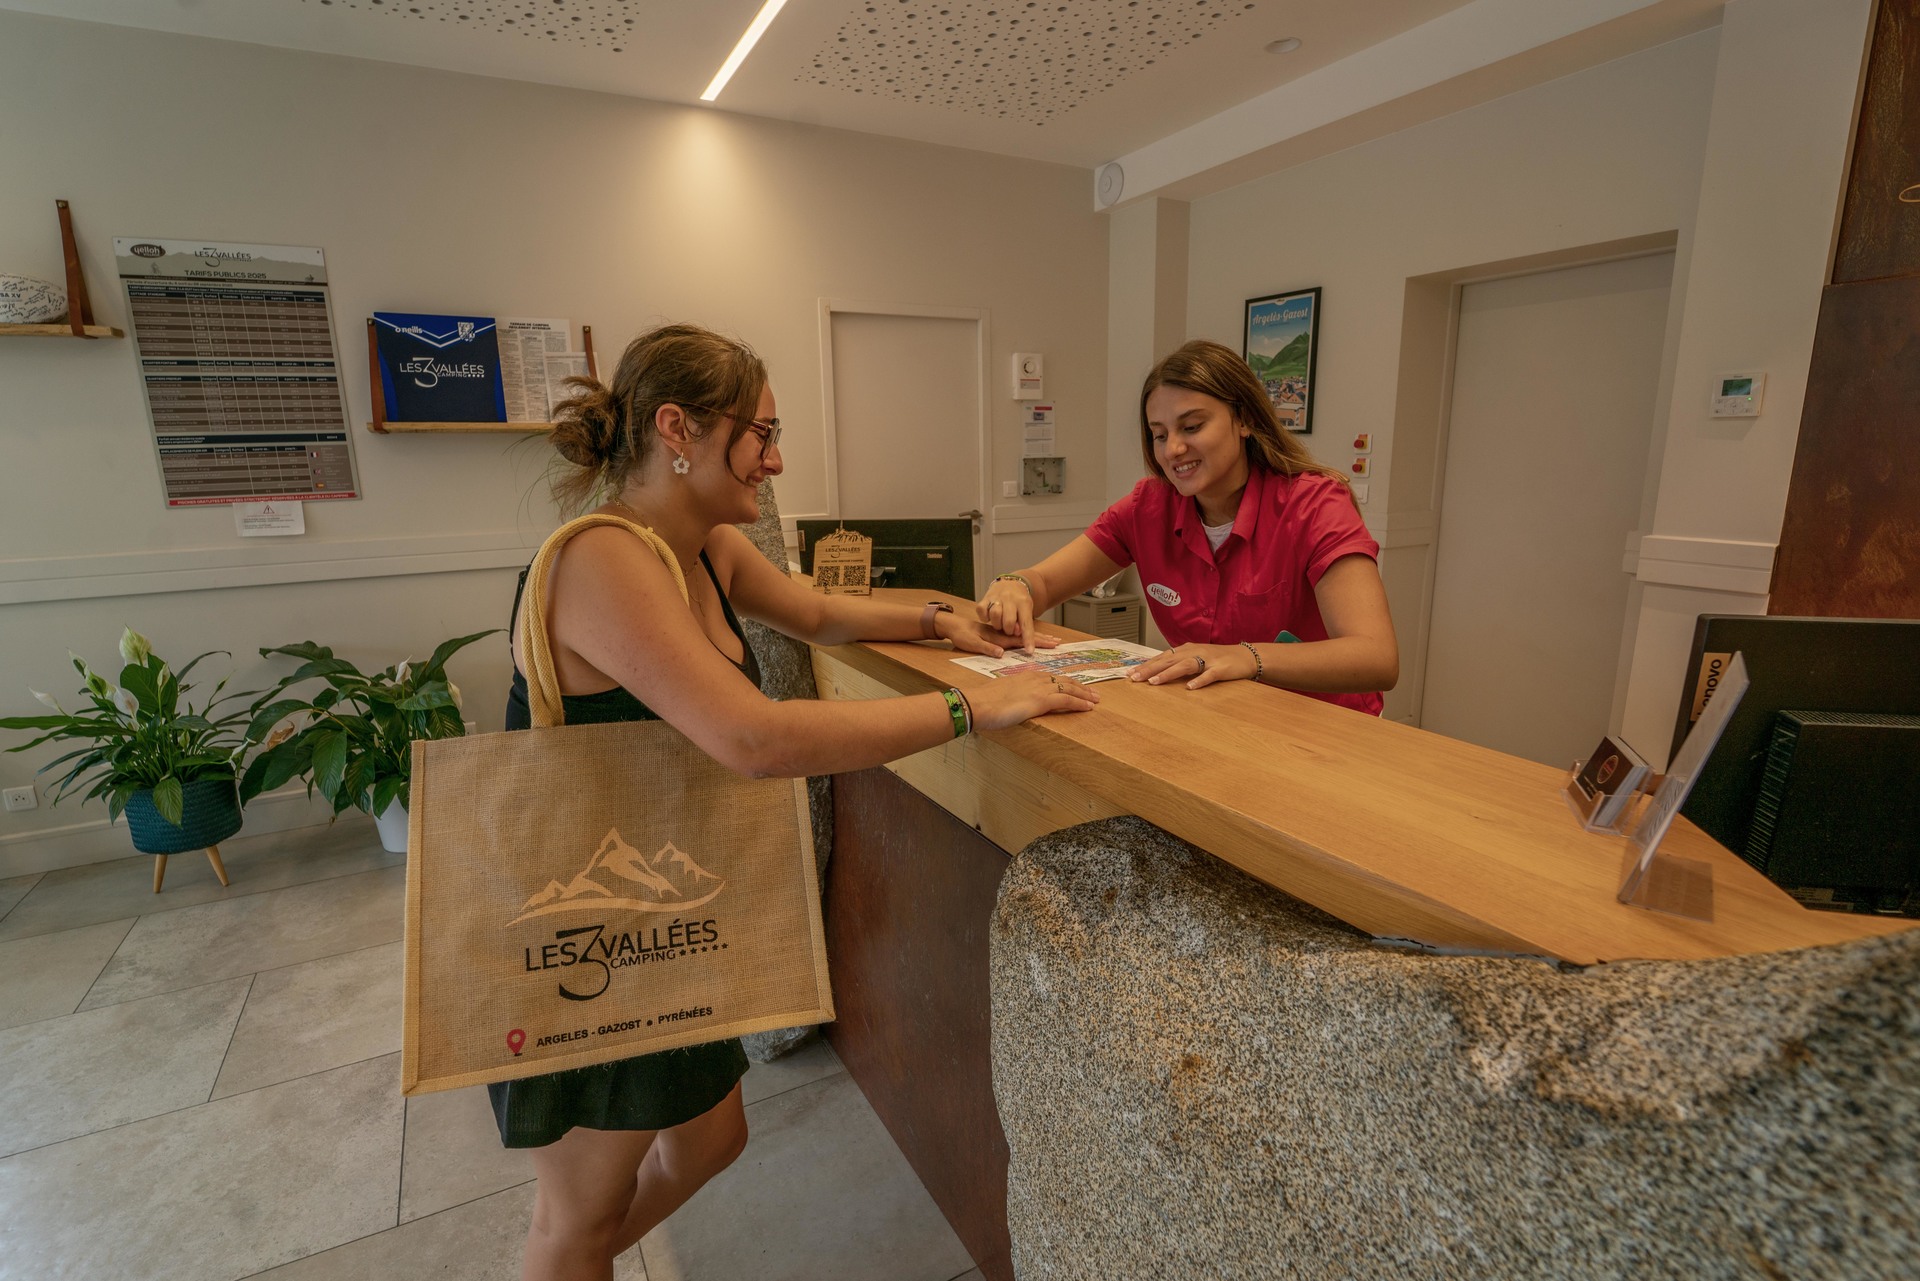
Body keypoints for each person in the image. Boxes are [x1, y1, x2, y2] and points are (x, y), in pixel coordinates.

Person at [496, 322, 1096, 1281]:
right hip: (585, 935)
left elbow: (816, 611)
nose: (776, 460)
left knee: (709, 1140)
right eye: (761, 435)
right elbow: (756, 738)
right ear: (677, 428)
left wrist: (942, 617)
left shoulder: (704, 548)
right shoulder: (604, 559)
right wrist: (969, 708)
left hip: (664, 920)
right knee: (576, 1214)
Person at [978, 339, 1398, 715]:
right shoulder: (1147, 507)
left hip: (1327, 728)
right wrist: (1016, 584)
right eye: (1159, 435)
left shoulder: (1315, 504)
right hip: (1220, 719)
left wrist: (1246, 657)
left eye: (1192, 427)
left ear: (1245, 420)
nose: (1174, 449)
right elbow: (1044, 582)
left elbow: (1375, 657)